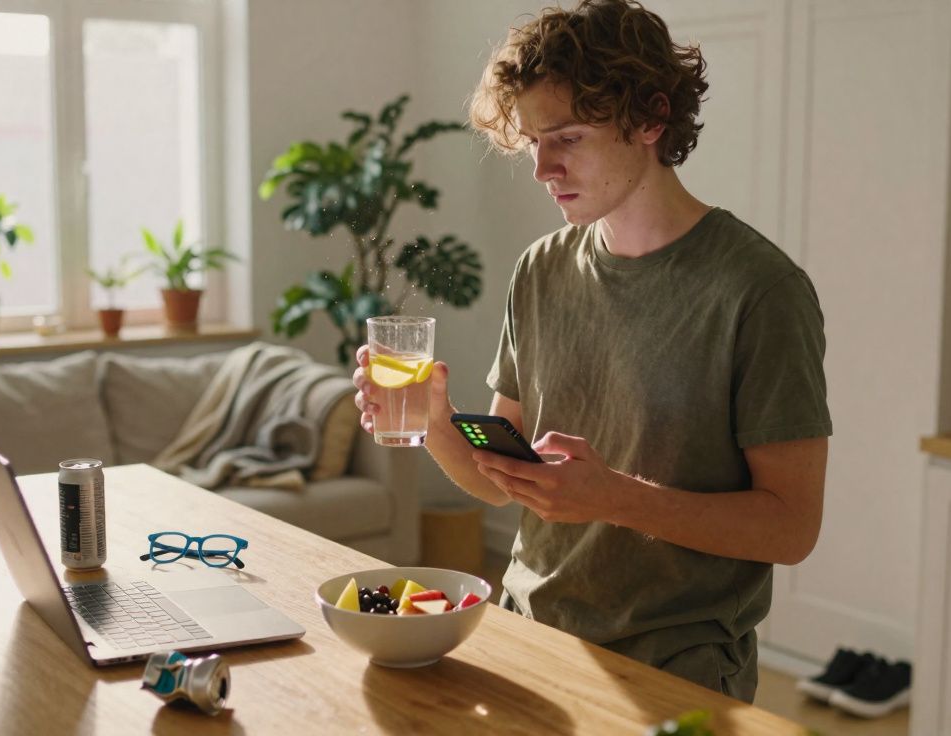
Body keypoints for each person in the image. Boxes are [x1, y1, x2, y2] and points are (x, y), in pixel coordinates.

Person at [352, 0, 830, 703]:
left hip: (677, 665)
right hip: (529, 634)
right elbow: (503, 481)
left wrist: (615, 499)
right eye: (534, 142)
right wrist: (434, 422)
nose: (543, 167)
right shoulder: (541, 268)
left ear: (649, 119)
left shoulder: (759, 290)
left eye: (568, 137)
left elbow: (791, 528)